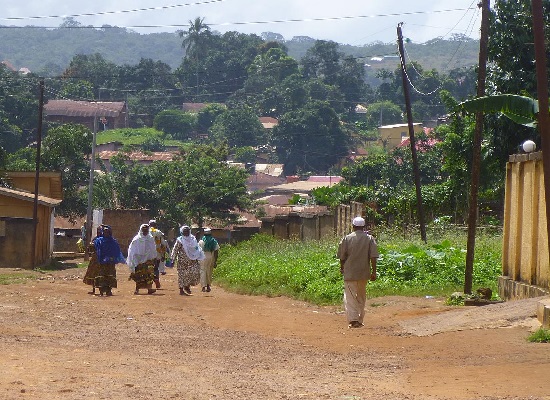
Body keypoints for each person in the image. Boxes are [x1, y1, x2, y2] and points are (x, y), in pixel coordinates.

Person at [337, 216, 379, 329]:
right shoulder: (370, 239)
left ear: (353, 226)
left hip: (350, 273)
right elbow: (373, 257)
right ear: (363, 227)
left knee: (350, 297)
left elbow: (342, 256)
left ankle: (353, 320)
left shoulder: (347, 238)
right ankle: (360, 319)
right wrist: (374, 272)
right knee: (361, 296)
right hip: (363, 273)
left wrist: (342, 268)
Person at [171, 225, 204, 296]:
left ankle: (187, 286)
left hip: (192, 261)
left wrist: (198, 256)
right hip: (182, 262)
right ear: (182, 232)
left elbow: (196, 248)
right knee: (182, 275)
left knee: (193, 273)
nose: (186, 233)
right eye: (184, 231)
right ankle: (181, 290)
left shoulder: (193, 239)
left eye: (187, 231)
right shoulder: (180, 240)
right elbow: (175, 250)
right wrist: (173, 259)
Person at [92, 225, 125, 296]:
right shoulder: (99, 241)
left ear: (110, 233)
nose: (105, 233)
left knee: (110, 275)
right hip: (102, 261)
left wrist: (114, 258)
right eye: (104, 231)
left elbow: (117, 251)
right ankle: (101, 290)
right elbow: (95, 247)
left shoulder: (113, 242)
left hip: (110, 262)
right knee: (101, 275)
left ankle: (109, 290)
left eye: (107, 232)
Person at [127, 224, 158, 295]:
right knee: (139, 275)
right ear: (141, 230)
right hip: (138, 260)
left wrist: (153, 257)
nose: (145, 230)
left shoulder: (150, 239)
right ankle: (137, 289)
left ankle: (149, 289)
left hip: (148, 260)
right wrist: (133, 260)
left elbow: (153, 249)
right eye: (144, 229)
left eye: (146, 229)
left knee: (149, 274)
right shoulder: (136, 239)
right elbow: (132, 250)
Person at [82, 225, 104, 295]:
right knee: (93, 274)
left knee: (101, 274)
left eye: (100, 231)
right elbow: (90, 248)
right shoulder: (96, 240)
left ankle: (102, 289)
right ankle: (94, 289)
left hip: (102, 259)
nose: (99, 232)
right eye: (98, 231)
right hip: (96, 259)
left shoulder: (105, 240)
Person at [148, 219, 168, 288]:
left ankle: (149, 283)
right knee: (156, 267)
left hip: (147, 253)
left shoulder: (145, 231)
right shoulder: (159, 232)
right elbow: (163, 244)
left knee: (148, 268)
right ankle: (156, 279)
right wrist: (164, 254)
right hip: (157, 253)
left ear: (149, 225)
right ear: (155, 225)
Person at [198, 228, 219, 292]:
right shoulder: (214, 241)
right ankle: (208, 286)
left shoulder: (201, 241)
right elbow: (216, 251)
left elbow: (198, 251)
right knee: (209, 271)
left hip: (202, 256)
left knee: (202, 271)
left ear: (204, 233)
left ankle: (203, 287)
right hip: (210, 256)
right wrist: (215, 261)